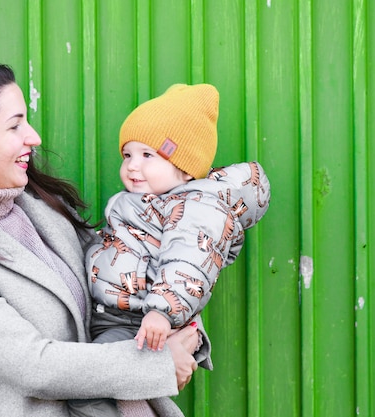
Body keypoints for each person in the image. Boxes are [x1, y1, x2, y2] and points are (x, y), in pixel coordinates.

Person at [0, 58, 205, 417]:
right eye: (15, 126)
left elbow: (128, 274)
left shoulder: (47, 208)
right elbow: (33, 365)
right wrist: (158, 366)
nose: (33, 138)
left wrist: (181, 330)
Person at [86, 83, 270, 354]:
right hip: (115, 316)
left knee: (91, 385)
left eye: (147, 155)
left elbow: (189, 262)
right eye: (127, 155)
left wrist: (161, 312)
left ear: (185, 169)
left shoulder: (196, 210)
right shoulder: (147, 202)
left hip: (142, 322)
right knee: (111, 388)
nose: (132, 165)